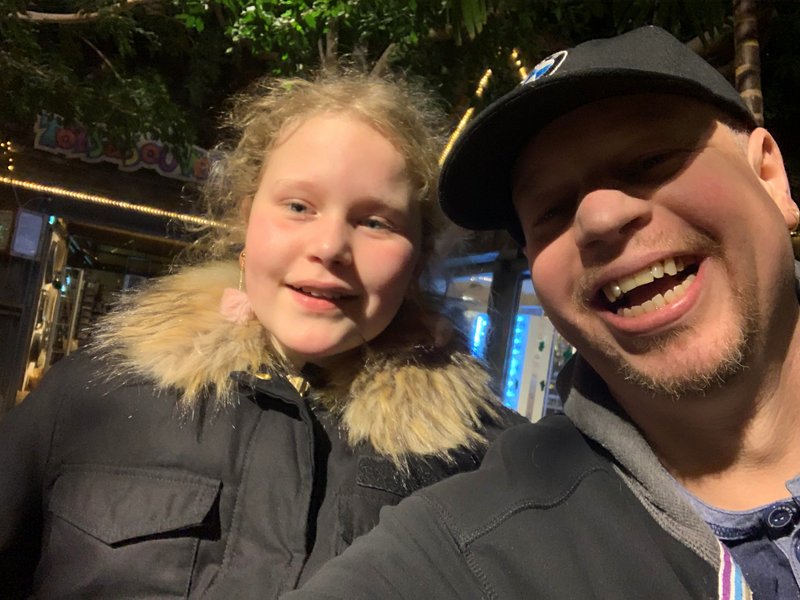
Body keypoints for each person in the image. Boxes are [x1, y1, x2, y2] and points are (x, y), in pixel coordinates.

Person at [282, 26, 800, 599]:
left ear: (769, 175)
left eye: (651, 161)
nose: (599, 218)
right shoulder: (469, 544)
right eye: (551, 208)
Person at [0, 72, 522, 598]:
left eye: (375, 222)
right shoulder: (93, 396)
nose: (329, 247)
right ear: (246, 218)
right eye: (298, 206)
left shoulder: (485, 465)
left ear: (418, 259)